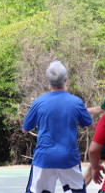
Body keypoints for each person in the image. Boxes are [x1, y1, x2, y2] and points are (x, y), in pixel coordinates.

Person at [23, 61, 93, 193]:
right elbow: (89, 124)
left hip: (44, 157)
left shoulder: (38, 102)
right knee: (78, 190)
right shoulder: (76, 102)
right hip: (68, 157)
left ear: (48, 80)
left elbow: (25, 128)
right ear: (65, 79)